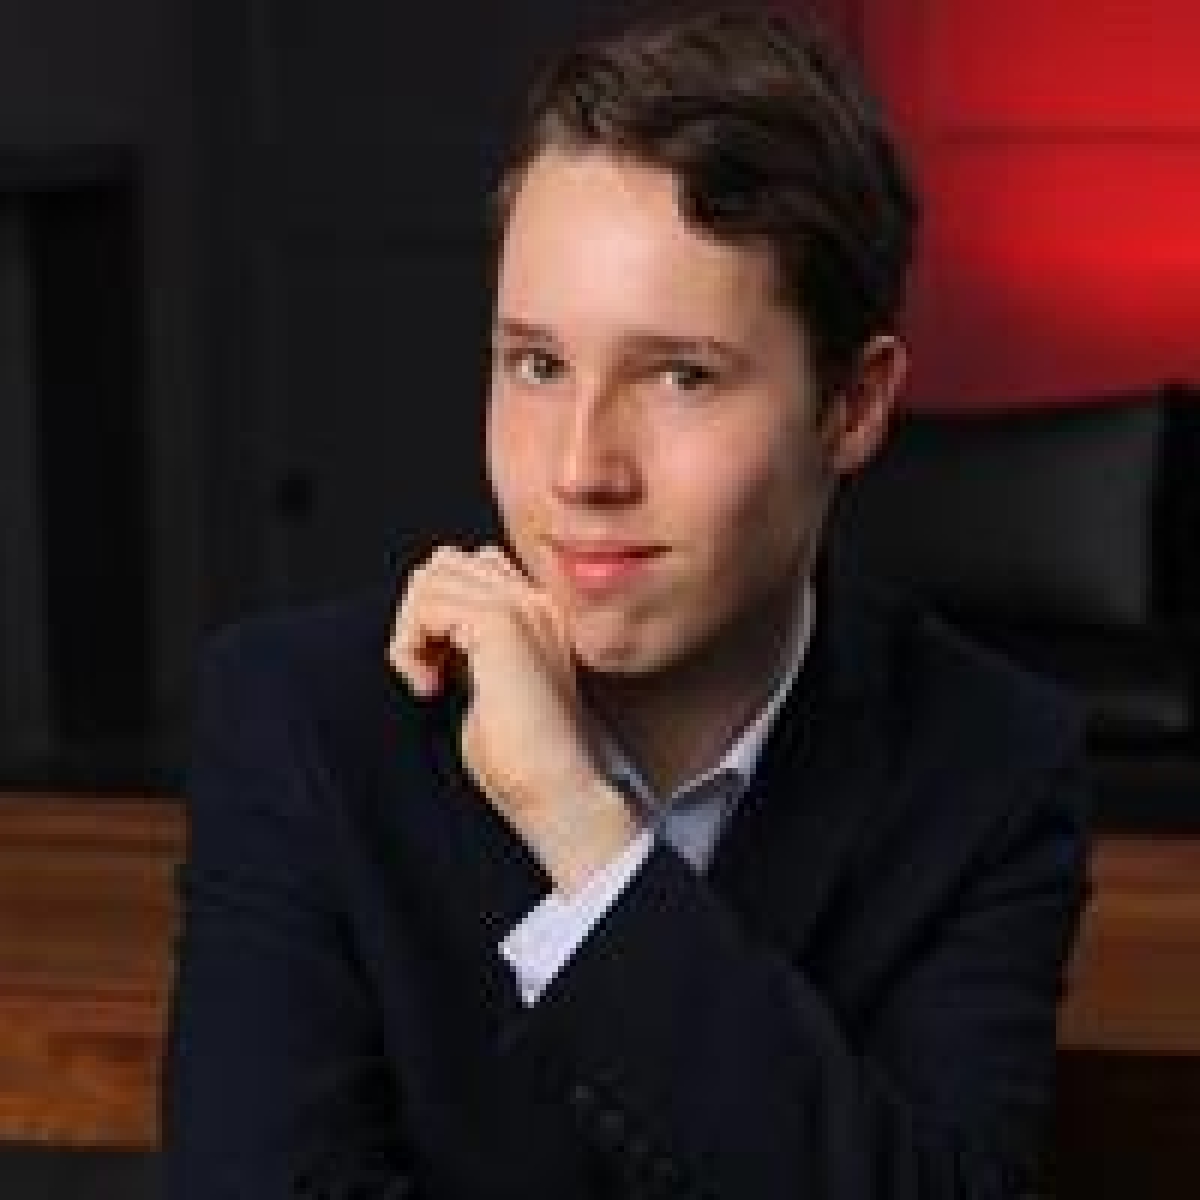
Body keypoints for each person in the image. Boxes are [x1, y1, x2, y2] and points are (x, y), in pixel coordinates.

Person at [164, 8, 1089, 1197]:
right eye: (538, 364)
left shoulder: (989, 766)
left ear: (855, 405)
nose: (581, 469)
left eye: (681, 376)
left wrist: (579, 831)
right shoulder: (304, 719)